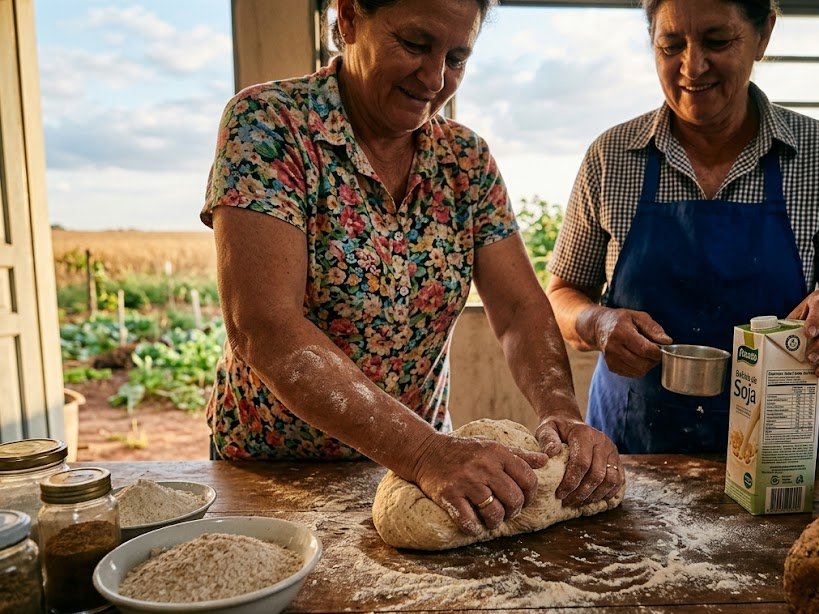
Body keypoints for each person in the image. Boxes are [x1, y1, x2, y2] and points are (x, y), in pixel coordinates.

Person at [200, 0, 621, 536]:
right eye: (416, 45)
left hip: (418, 471)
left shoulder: (465, 159)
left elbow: (517, 310)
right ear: (349, 17)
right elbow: (265, 326)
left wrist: (560, 413)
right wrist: (422, 450)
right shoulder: (270, 125)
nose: (435, 78)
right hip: (275, 469)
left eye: (457, 57)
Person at [546, 0, 819, 455]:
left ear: (763, 34)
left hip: (773, 453)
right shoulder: (611, 157)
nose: (692, 66)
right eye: (671, 45)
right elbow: (560, 297)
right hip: (630, 448)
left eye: (717, 41)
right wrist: (598, 321)